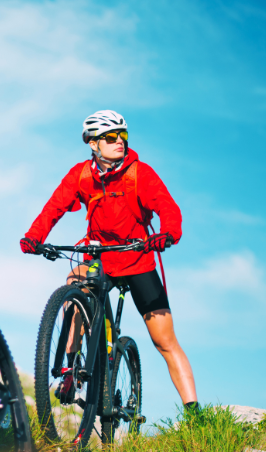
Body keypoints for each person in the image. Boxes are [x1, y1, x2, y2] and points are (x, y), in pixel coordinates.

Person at [20, 110, 199, 411]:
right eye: (111, 137)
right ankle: (71, 370)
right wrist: (33, 236)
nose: (120, 142)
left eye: (123, 136)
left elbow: (168, 207)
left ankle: (196, 414)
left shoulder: (139, 173)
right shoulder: (81, 175)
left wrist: (167, 233)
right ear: (93, 143)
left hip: (137, 259)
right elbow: (53, 208)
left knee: (164, 341)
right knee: (74, 284)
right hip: (100, 258)